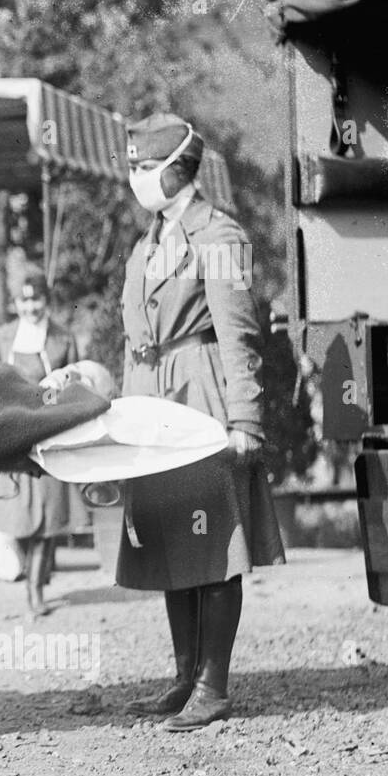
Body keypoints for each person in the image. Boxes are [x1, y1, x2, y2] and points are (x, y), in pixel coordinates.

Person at [114, 113, 285, 731]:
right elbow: (137, 333)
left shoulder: (221, 236)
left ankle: (213, 687)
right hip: (153, 401)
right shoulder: (151, 239)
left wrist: (247, 421)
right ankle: (184, 679)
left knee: (213, 544)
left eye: (141, 167)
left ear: (175, 169)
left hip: (202, 398)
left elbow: (240, 333)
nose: (133, 177)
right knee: (169, 541)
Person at [0, 274, 88, 617]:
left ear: (47, 301)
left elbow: (76, 382)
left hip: (50, 433)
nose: (31, 307)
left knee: (48, 517)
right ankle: (28, 570)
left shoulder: (63, 337)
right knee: (17, 515)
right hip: (12, 434)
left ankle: (35, 590)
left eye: (36, 300)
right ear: (15, 304)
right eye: (24, 301)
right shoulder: (1, 337)